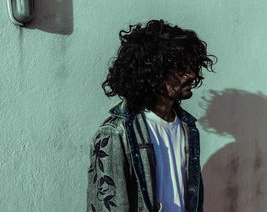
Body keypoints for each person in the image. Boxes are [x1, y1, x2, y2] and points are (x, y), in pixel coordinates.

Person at [87, 20, 217, 212]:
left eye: (191, 64)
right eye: (179, 67)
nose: (190, 74)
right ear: (153, 72)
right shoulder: (116, 133)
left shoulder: (187, 128)